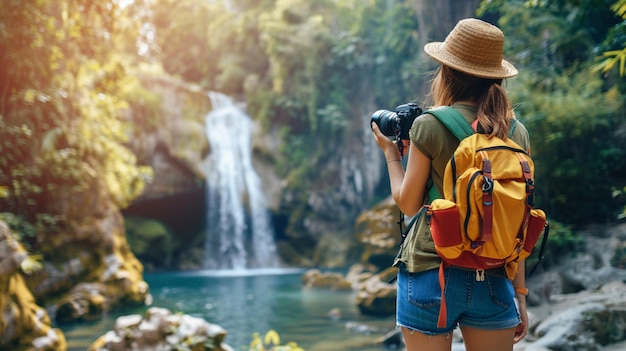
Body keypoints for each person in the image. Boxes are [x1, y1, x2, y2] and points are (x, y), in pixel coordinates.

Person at [371, 18, 530, 351]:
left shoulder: (429, 125)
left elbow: (408, 203)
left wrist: (390, 154)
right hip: (494, 274)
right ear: (497, 76)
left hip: (431, 271)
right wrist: (520, 295)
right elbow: (518, 217)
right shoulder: (516, 133)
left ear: (447, 72)